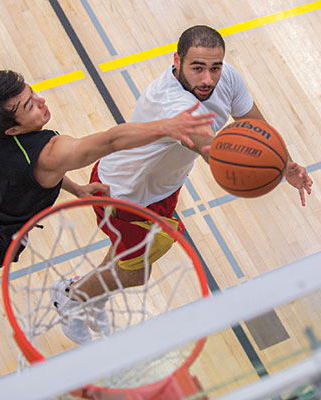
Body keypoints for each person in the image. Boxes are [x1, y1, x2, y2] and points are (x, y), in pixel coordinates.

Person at [52, 25, 313, 344]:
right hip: (120, 192)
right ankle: (72, 297)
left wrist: (283, 163)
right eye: (198, 68)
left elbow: (253, 125)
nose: (208, 79)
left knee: (127, 255)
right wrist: (256, 168)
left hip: (163, 188)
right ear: (177, 60)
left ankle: (94, 297)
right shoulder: (172, 104)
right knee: (136, 272)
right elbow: (215, 153)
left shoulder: (226, 77)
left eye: (215, 67)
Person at [0, 69, 214, 274]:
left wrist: (77, 189)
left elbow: (32, 175)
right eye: (30, 106)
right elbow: (111, 140)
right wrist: (166, 126)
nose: (41, 101)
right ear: (13, 129)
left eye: (32, 94)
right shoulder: (50, 153)